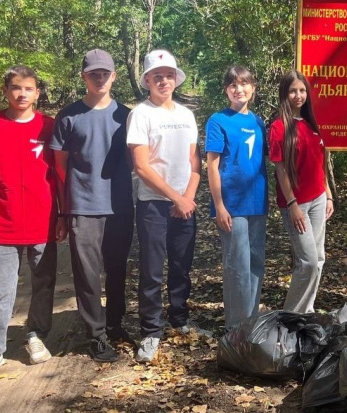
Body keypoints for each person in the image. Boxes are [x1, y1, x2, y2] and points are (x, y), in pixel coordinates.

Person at [0, 65, 65, 382]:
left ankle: (36, 335)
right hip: (0, 224)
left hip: (42, 222)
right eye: (16, 88)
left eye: (29, 88)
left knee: (44, 285)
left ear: (37, 93)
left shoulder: (50, 126)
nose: (22, 94)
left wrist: (63, 215)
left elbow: (60, 174)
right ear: (6, 91)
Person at [51, 49, 134, 363]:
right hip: (84, 205)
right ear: (84, 76)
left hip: (120, 205)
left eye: (105, 73)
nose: (99, 78)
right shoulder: (69, 116)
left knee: (117, 269)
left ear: (114, 76)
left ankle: (114, 324)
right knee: (87, 273)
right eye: (93, 73)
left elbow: (141, 159)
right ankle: (96, 336)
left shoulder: (126, 116)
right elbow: (60, 166)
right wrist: (63, 209)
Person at [126, 49, 200, 363]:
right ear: (147, 80)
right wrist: (176, 198)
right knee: (153, 269)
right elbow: (142, 167)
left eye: (168, 75)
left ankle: (180, 320)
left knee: (182, 266)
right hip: (154, 205)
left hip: (184, 203)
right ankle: (151, 330)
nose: (163, 80)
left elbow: (194, 162)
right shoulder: (140, 114)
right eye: (157, 75)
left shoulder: (186, 114)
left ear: (175, 79)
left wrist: (187, 198)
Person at [205, 65, 268, 329]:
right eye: (232, 85)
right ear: (226, 91)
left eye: (243, 84)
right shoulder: (218, 121)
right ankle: (236, 328)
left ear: (253, 88)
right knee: (237, 266)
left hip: (257, 202)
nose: (238, 89)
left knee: (255, 263)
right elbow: (212, 165)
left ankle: (251, 323)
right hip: (232, 205)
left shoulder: (259, 122)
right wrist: (219, 205)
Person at [269, 70, 333, 313]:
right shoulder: (279, 127)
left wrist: (327, 194)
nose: (298, 95)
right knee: (306, 262)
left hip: (317, 199)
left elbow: (320, 163)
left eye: (302, 90)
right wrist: (293, 204)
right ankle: (291, 316)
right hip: (296, 204)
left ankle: (308, 311)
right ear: (285, 93)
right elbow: (281, 169)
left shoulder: (310, 123)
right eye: (293, 91)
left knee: (318, 258)